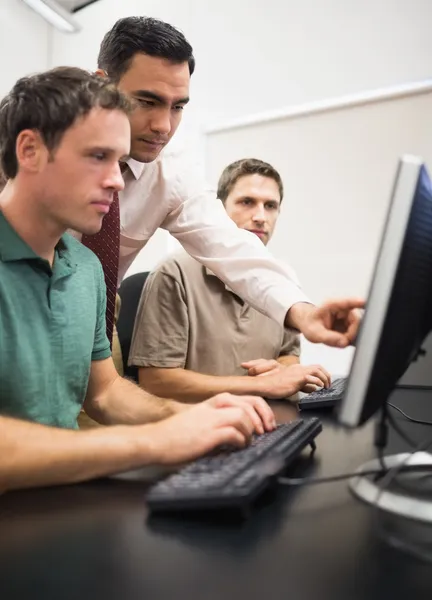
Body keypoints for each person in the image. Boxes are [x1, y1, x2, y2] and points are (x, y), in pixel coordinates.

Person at [0, 67, 275, 492]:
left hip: (55, 506)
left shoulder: (87, 268)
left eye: (118, 159)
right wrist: (152, 441)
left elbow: (105, 392)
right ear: (30, 150)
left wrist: (186, 417)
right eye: (97, 157)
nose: (115, 179)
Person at [82, 16, 363, 350]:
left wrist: (304, 313)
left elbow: (234, 249)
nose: (163, 126)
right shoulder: (39, 148)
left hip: (92, 328)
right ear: (101, 85)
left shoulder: (170, 173)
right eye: (147, 102)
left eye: (178, 107)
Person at [129, 158, 331, 402]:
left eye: (270, 206)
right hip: (198, 428)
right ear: (220, 209)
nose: (260, 216)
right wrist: (260, 385)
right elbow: (156, 382)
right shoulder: (174, 274)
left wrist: (285, 370)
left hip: (268, 424)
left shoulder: (282, 281)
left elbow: (288, 353)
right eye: (247, 202)